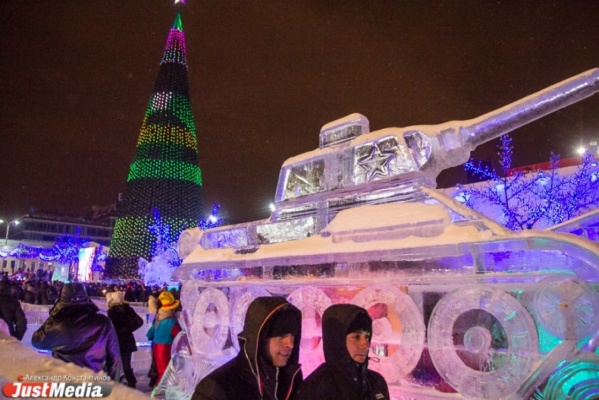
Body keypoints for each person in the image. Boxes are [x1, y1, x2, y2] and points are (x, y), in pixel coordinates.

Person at [191, 296, 303, 400]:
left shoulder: (292, 381)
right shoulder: (216, 388)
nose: (290, 344)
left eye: (293, 336)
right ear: (260, 339)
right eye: (281, 335)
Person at [295, 304, 389, 400]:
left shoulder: (377, 383)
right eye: (356, 337)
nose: (366, 345)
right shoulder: (313, 390)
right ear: (337, 340)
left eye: (367, 337)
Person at [31, 282, 123, 380]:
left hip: (64, 381)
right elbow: (115, 357)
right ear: (86, 297)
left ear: (61, 300)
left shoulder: (56, 324)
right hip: (94, 380)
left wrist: (54, 315)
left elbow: (37, 341)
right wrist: (115, 384)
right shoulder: (103, 322)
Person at [107, 291, 144, 388]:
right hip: (127, 340)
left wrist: (120, 330)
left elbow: (110, 327)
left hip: (116, 340)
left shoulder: (111, 311)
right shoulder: (128, 309)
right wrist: (128, 329)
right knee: (126, 364)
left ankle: (116, 383)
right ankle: (131, 383)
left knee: (114, 363)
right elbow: (139, 322)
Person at [146, 291, 182, 386]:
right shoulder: (171, 321)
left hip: (156, 347)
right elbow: (180, 336)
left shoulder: (159, 317)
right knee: (165, 373)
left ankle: (158, 389)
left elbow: (150, 334)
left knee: (160, 371)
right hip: (165, 349)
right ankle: (159, 393)